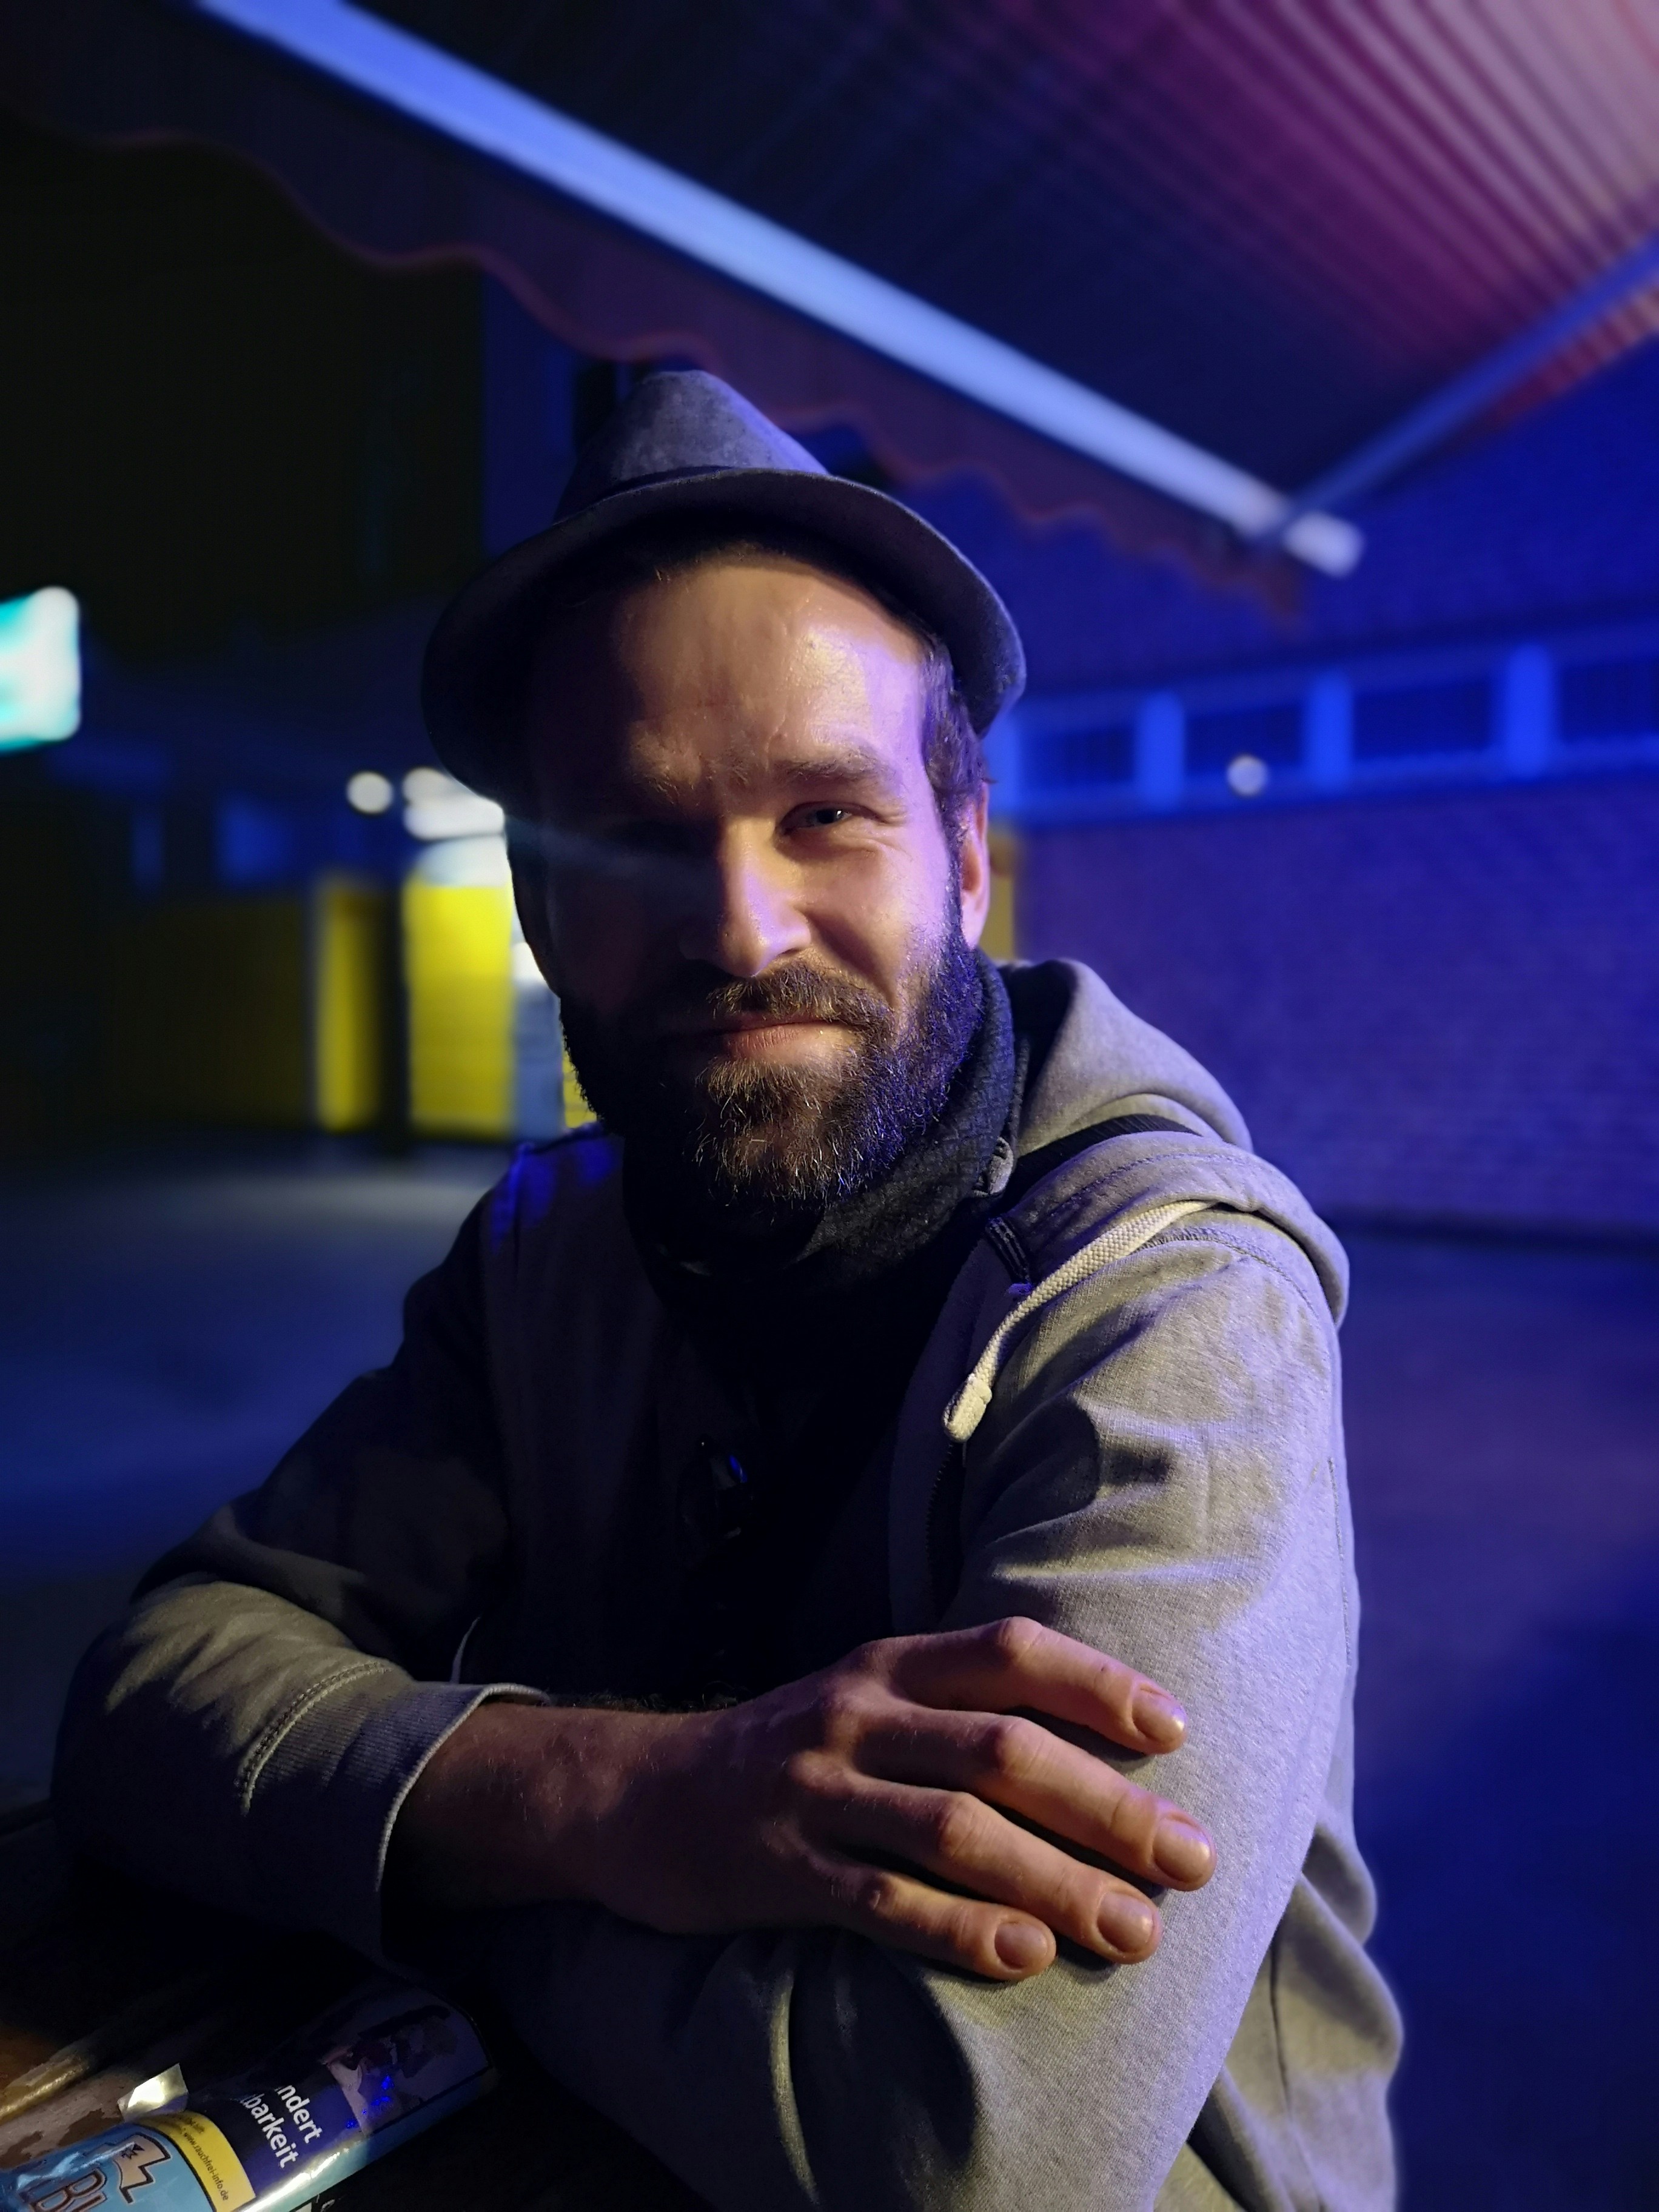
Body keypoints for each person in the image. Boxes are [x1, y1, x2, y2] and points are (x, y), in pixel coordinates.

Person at [55, 373, 1399, 2210]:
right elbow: (147, 1698)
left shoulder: (1173, 1304)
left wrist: (438, 1890)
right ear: (540, 906)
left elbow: (965, 2156)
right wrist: (616, 1799)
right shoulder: (549, 1250)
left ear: (966, 858)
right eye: (636, 837)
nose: (741, 931)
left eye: (825, 816)